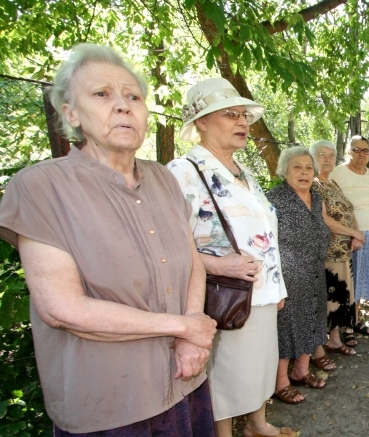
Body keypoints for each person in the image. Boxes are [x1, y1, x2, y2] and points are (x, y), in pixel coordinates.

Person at [0, 43, 217, 435]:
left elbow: (193, 264)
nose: (123, 106)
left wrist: (193, 341)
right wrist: (186, 328)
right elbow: (62, 309)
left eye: (133, 96)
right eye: (102, 94)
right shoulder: (40, 186)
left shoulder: (164, 179)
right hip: (110, 404)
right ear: (71, 113)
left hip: (186, 380)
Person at [168, 78, 296, 437]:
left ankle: (256, 424)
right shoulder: (183, 172)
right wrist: (216, 265)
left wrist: (277, 285)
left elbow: (266, 235)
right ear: (202, 122)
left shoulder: (245, 173)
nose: (242, 122)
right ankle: (222, 433)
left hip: (262, 292)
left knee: (258, 366)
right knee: (225, 374)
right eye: (230, 114)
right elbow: (169, 243)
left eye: (244, 115)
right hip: (223, 293)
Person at [265, 147, 331, 400]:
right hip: (288, 274)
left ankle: (301, 372)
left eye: (308, 168)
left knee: (313, 319)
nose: (304, 172)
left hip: (314, 269)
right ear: (284, 171)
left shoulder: (316, 197)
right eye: (297, 167)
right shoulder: (275, 199)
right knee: (287, 327)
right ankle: (280, 382)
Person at [310, 140, 363, 364]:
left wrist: (357, 233)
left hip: (344, 251)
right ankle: (317, 347)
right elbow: (324, 219)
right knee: (329, 297)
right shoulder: (313, 185)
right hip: (328, 250)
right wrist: (353, 232)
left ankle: (334, 339)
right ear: (313, 158)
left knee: (341, 296)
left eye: (332, 155)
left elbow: (349, 210)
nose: (328, 159)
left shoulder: (332, 183)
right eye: (322, 155)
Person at [330, 136, 369, 313]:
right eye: (357, 150)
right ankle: (349, 323)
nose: (362, 154)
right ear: (348, 152)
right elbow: (334, 206)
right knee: (352, 281)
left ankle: (357, 319)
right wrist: (352, 232)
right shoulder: (338, 173)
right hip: (351, 236)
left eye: (366, 150)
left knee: (367, 280)